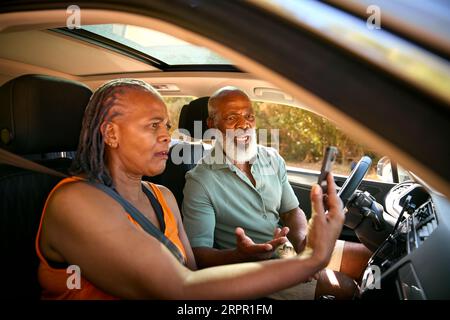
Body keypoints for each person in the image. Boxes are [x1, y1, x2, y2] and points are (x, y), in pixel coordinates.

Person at [35, 79, 345, 300]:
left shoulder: (163, 196)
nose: (166, 137)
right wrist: (312, 259)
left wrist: (239, 256)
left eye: (167, 126)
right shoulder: (74, 201)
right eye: (153, 125)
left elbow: (195, 276)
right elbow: (180, 289)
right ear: (111, 134)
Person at [182, 86, 372, 299]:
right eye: (231, 118)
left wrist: (302, 244)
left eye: (249, 116)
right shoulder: (200, 181)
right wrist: (241, 255)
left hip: (289, 247)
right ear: (212, 125)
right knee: (347, 289)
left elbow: (291, 210)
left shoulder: (271, 158)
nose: (244, 124)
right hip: (255, 271)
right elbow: (198, 255)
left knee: (371, 261)